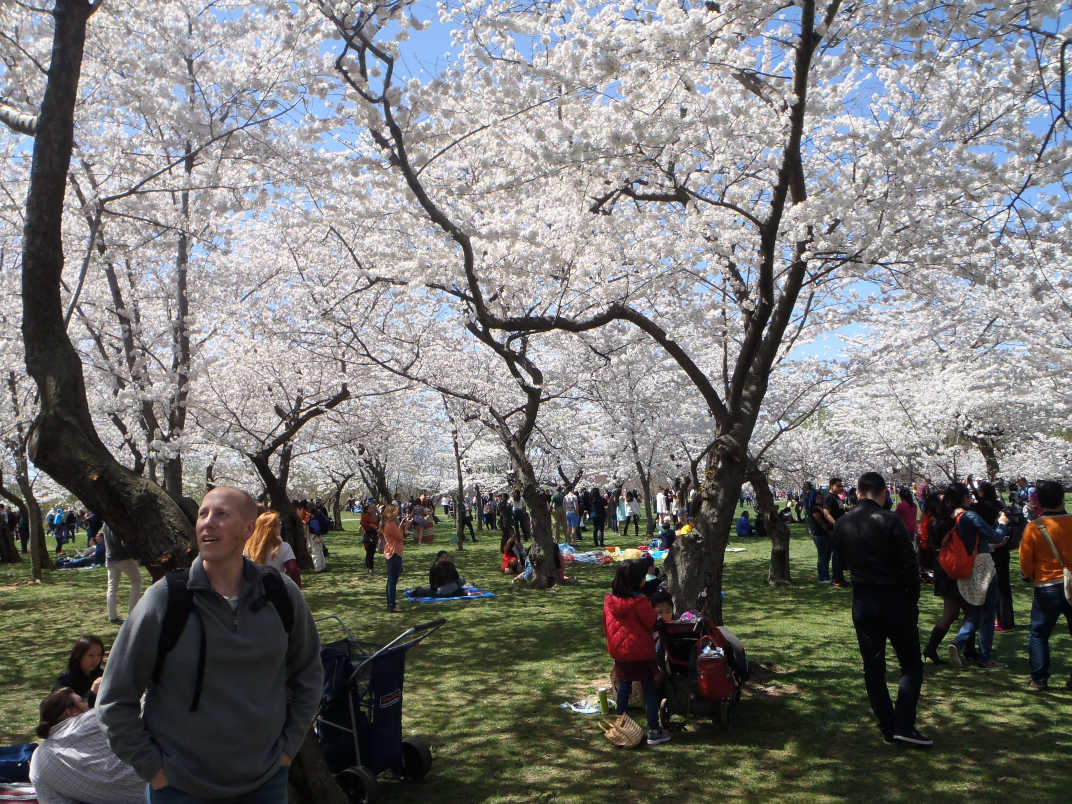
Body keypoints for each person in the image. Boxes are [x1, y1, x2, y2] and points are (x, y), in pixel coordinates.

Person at [96, 486, 323, 802]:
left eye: (221, 514)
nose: (207, 522)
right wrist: (154, 769)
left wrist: (287, 750)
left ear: (248, 528)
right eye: (203, 514)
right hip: (180, 788)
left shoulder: (280, 595)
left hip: (265, 783)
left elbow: (309, 673)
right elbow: (114, 698)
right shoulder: (165, 600)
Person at [831, 472, 929, 748]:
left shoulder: (843, 523)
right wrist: (912, 598)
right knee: (910, 664)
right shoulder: (891, 520)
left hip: (863, 599)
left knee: (874, 667)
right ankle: (904, 724)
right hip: (895, 597)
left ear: (858, 493)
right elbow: (910, 566)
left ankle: (888, 726)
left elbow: (840, 561)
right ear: (884, 492)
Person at [30, 688, 144, 804]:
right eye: (82, 701)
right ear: (70, 712)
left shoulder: (38, 759)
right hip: (152, 781)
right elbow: (140, 708)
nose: (88, 706)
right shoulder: (89, 721)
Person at [602, 560, 671, 746]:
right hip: (640, 651)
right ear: (637, 580)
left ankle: (620, 728)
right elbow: (651, 622)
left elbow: (606, 625)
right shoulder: (639, 601)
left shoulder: (609, 601)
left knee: (623, 688)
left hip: (620, 652)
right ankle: (654, 731)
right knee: (648, 689)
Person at [947, 484, 1009, 669]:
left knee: (974, 611)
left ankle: (959, 643)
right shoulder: (970, 516)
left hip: (962, 566)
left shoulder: (951, 517)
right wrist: (1003, 524)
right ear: (964, 498)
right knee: (988, 613)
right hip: (981, 566)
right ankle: (984, 657)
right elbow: (995, 536)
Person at [1018, 480, 1072, 691]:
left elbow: (1025, 562)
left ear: (1040, 502)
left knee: (1039, 633)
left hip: (1047, 585)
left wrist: (1031, 576)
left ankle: (1039, 679)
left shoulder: (1034, 528)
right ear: (1062, 498)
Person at [243, 510, 301, 587]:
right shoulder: (284, 546)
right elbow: (293, 569)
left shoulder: (248, 546)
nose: (280, 524)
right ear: (270, 528)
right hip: (277, 587)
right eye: (277, 523)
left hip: (254, 589)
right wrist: (297, 587)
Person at [103, 523, 142, 626]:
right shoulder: (115, 522)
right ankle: (132, 614)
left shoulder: (105, 524)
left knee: (112, 588)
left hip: (110, 558)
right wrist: (136, 557)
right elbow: (123, 543)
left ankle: (113, 617)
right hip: (122, 558)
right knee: (136, 581)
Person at [52, 635, 104, 706]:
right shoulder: (64, 681)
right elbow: (62, 708)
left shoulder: (102, 675)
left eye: (99, 655)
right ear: (78, 656)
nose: (95, 660)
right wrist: (92, 692)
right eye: (91, 655)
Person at [818, 478, 849, 588]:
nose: (841, 488)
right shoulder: (828, 498)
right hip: (834, 530)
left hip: (841, 529)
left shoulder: (837, 498)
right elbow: (826, 513)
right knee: (836, 555)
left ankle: (840, 578)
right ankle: (837, 579)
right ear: (832, 486)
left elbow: (840, 510)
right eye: (839, 486)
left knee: (840, 554)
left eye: (842, 485)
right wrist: (836, 524)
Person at [380, 503, 405, 613]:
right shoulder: (390, 524)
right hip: (394, 554)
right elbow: (400, 537)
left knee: (391, 580)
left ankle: (391, 604)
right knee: (392, 581)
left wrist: (401, 525)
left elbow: (397, 535)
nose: (397, 514)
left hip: (391, 553)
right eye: (395, 512)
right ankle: (392, 605)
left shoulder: (387, 524)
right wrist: (402, 527)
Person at [360, 505, 380, 576]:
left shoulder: (372, 515)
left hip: (373, 535)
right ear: (367, 509)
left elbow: (377, 522)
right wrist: (372, 526)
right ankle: (370, 569)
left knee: (371, 553)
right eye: (370, 508)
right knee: (369, 553)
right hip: (368, 536)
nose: (372, 509)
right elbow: (363, 524)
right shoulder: (365, 516)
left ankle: (371, 568)